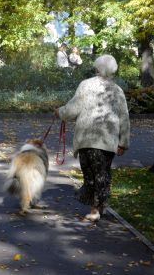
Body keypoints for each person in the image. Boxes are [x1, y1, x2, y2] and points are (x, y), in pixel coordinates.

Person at [54, 54, 130, 222]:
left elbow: (73, 108)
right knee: (98, 176)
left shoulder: (85, 85)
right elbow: (124, 117)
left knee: (93, 176)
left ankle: (96, 209)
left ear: (97, 68)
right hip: (104, 140)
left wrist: (60, 112)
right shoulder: (117, 91)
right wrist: (123, 142)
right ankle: (98, 205)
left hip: (86, 139)